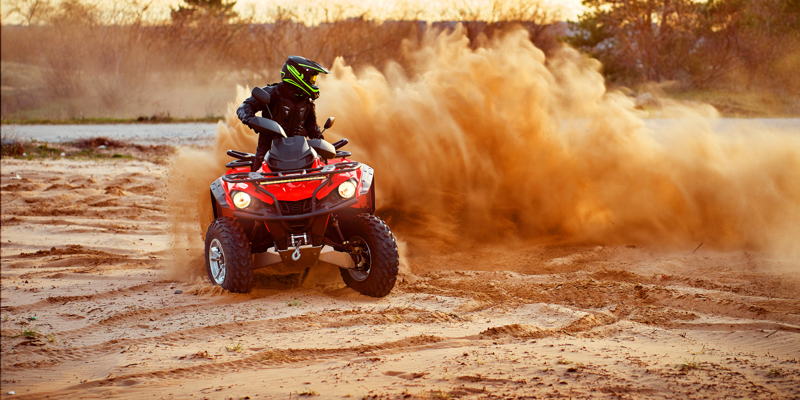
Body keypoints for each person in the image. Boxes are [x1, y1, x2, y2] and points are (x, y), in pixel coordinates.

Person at [237, 56, 330, 170]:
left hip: (301, 154)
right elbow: (244, 107)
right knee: (255, 181)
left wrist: (321, 141)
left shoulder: (307, 101)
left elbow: (311, 126)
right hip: (268, 152)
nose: (313, 83)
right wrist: (250, 119)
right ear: (298, 75)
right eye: (312, 79)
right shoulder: (272, 93)